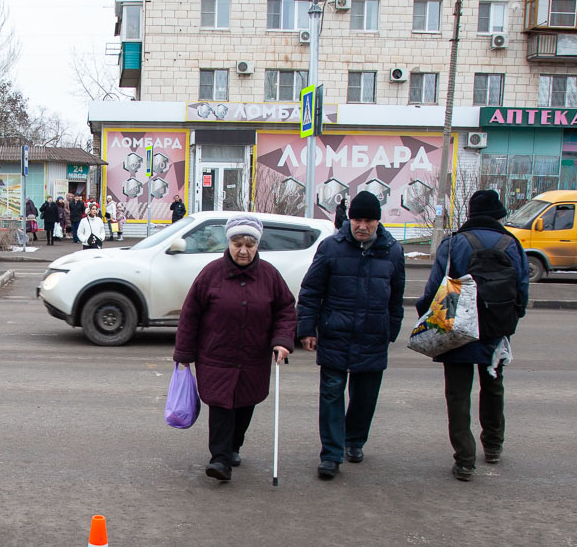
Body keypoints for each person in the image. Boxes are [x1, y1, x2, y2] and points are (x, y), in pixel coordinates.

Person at [415, 190, 530, 482]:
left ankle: (465, 460)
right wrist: (511, 319)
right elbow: (522, 286)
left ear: (471, 214)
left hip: (457, 327)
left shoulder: (454, 243)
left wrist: (425, 316)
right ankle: (493, 445)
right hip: (495, 327)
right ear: (498, 215)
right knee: (493, 386)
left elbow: (433, 289)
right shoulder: (512, 244)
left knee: (458, 394)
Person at [174, 214, 296, 481]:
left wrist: (282, 341)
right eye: (237, 244)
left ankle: (233, 446)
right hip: (216, 356)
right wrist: (184, 354)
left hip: (253, 357)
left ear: (257, 246)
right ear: (228, 243)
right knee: (220, 407)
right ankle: (220, 459)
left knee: (244, 405)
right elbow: (190, 314)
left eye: (249, 245)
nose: (243, 250)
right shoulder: (210, 274)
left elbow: (286, 309)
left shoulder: (269, 276)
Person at [296, 191, 406, 480]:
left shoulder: (392, 250)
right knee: (331, 394)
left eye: (368, 221)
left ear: (377, 222)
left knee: (365, 396)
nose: (362, 226)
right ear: (350, 220)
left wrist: (391, 329)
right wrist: (307, 328)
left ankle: (354, 441)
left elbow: (397, 297)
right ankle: (331, 454)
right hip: (336, 332)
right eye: (357, 219)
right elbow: (311, 291)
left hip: (373, 335)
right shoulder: (331, 247)